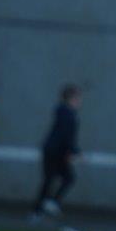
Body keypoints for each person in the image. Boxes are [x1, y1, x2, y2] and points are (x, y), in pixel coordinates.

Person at [32, 84, 82, 218]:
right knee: (57, 179)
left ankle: (42, 208)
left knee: (54, 179)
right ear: (71, 98)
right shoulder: (67, 114)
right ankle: (43, 208)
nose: (79, 101)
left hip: (55, 151)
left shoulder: (66, 112)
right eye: (77, 97)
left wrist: (72, 151)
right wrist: (74, 152)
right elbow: (66, 136)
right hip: (54, 152)